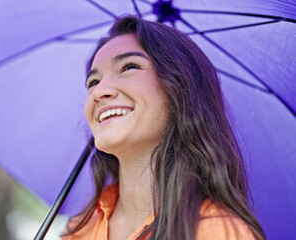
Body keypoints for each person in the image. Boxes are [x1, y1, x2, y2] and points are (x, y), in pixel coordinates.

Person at [62, 16, 265, 240]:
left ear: (179, 89)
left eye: (129, 66)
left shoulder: (216, 231)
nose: (99, 92)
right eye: (93, 82)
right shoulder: (79, 229)